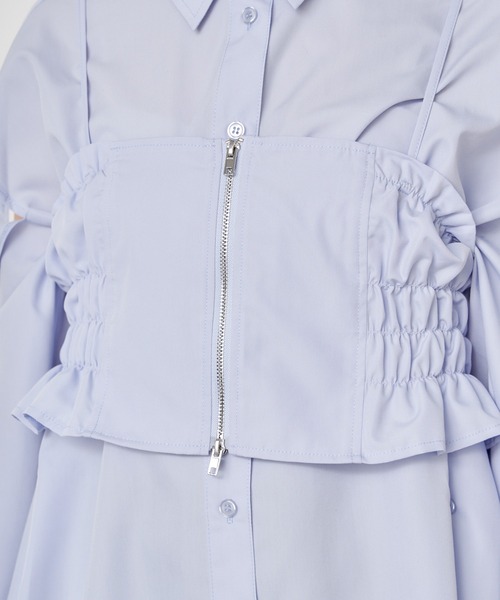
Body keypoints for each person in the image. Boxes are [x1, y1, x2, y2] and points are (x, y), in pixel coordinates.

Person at [1, 0, 500, 598]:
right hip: (111, 548)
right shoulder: (75, 26)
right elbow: (20, 346)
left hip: (382, 552)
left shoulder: (463, 24)